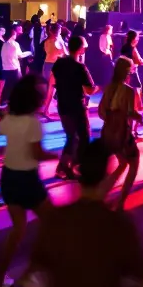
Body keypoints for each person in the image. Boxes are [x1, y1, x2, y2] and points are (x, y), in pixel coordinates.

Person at [30, 142, 143, 287]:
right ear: (106, 175)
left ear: (79, 173)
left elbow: (38, 275)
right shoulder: (120, 224)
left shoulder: (54, 220)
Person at [0, 76, 56, 287]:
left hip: (8, 177)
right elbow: (37, 153)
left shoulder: (10, 119)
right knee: (52, 224)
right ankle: (33, 273)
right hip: (27, 179)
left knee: (18, 229)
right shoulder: (33, 122)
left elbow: (1, 131)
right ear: (33, 99)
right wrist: (59, 156)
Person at [98, 57, 143, 211]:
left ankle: (102, 193)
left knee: (122, 163)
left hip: (108, 133)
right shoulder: (129, 91)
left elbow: (101, 112)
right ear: (127, 72)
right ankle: (121, 202)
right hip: (123, 134)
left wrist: (111, 118)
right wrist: (139, 117)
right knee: (134, 164)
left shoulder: (109, 87)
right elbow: (130, 113)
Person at [50, 35, 97, 179]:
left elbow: (52, 80)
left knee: (71, 136)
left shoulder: (59, 63)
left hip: (63, 104)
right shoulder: (80, 67)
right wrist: (97, 88)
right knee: (83, 136)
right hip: (77, 106)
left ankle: (64, 167)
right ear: (81, 49)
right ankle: (74, 166)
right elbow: (89, 89)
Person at [119, 30, 143, 133]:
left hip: (124, 74)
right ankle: (134, 125)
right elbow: (140, 61)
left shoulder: (123, 48)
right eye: (137, 38)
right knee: (136, 98)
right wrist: (140, 61)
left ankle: (127, 124)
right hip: (133, 74)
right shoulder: (133, 49)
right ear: (134, 39)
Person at [0, 24, 31, 108]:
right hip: (14, 69)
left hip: (5, 69)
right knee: (18, 86)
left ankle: (3, 103)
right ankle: (18, 105)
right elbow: (20, 55)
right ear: (13, 34)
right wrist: (29, 52)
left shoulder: (4, 44)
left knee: (7, 86)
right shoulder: (14, 44)